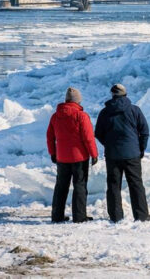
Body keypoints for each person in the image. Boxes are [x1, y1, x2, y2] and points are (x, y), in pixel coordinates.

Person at [95, 83, 150, 222]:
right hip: (132, 154)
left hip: (112, 155)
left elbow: (98, 133)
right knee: (136, 184)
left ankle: (116, 216)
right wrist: (140, 148)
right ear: (125, 94)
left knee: (113, 185)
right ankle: (141, 215)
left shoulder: (104, 112)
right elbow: (144, 131)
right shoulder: (134, 110)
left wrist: (108, 144)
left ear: (112, 95)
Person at [46, 87, 98, 223]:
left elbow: (50, 136)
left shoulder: (55, 116)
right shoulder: (81, 116)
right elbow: (88, 137)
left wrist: (53, 152)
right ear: (77, 101)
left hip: (62, 157)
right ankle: (79, 216)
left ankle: (57, 216)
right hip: (79, 157)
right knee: (80, 186)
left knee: (61, 186)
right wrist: (94, 154)